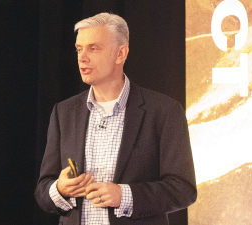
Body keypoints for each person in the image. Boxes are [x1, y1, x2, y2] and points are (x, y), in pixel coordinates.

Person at [35, 12, 197, 225]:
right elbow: (43, 190)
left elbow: (183, 189)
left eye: (93, 48)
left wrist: (125, 195)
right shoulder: (64, 113)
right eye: (79, 49)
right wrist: (60, 189)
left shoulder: (164, 111)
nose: (82, 57)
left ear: (121, 54)